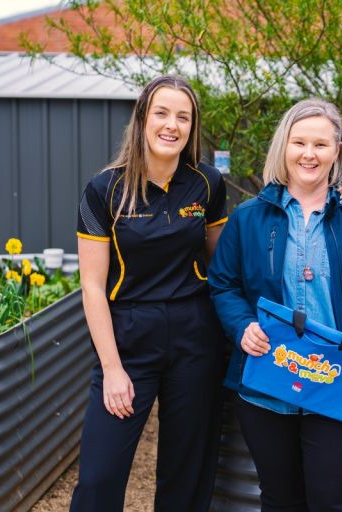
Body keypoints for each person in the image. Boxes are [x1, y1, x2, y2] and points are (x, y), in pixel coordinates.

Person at [208, 98, 342, 511]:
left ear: (337, 152)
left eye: (320, 144)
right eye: (299, 143)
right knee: (279, 500)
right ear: (284, 148)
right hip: (266, 389)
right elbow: (223, 284)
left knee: (331, 501)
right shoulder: (249, 218)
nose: (309, 154)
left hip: (338, 385)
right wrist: (242, 326)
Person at [72, 75, 227, 511]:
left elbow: (221, 266)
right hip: (128, 338)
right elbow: (92, 285)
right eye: (161, 113)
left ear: (192, 127)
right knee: (99, 477)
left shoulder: (208, 185)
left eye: (183, 116)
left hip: (195, 335)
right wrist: (113, 368)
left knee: (187, 472)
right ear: (142, 119)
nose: (171, 125)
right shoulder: (104, 190)